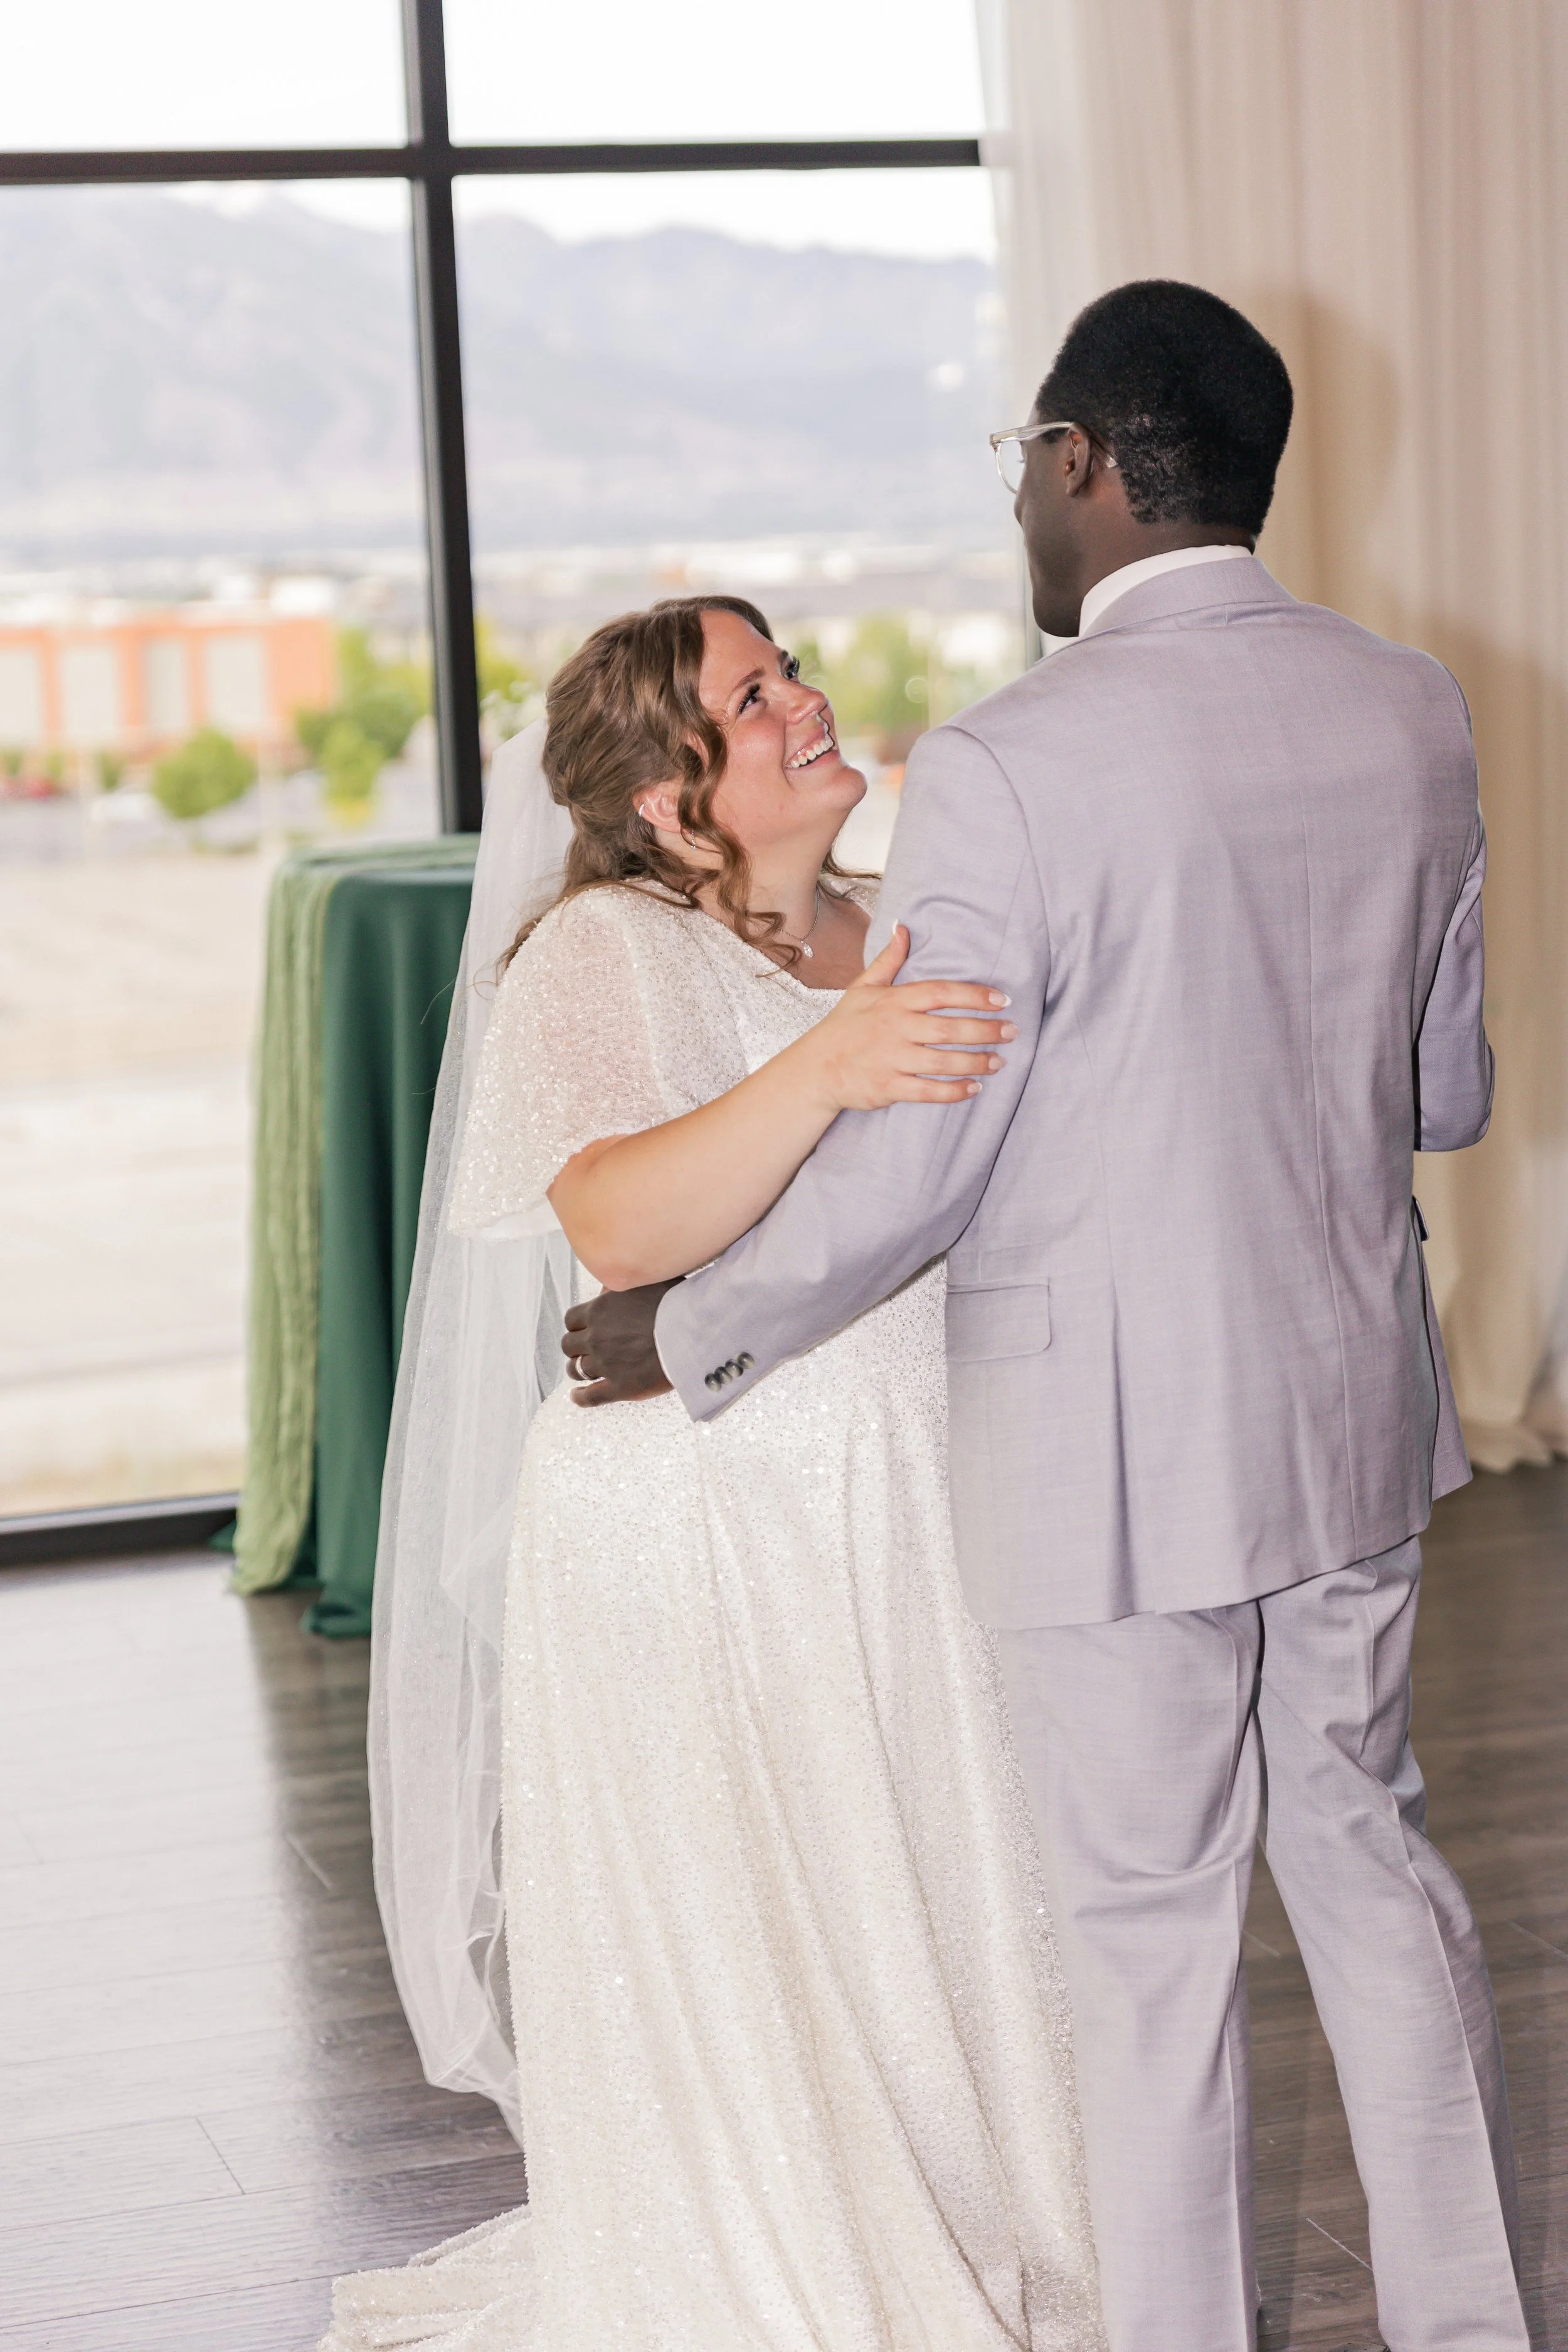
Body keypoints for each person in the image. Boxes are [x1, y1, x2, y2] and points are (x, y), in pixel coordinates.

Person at [568, 283, 1529, 2352]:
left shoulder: (1013, 761)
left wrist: (691, 1325)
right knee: (1371, 1868)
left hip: (1111, 1463)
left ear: (1083, 462)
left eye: (1023, 452)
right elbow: (1441, 1096)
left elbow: (921, 1164)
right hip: (1351, 1406)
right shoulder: (1411, 703)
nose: (1020, 490)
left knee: (1151, 1941)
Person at [321, 595, 1107, 2350]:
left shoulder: (904, 921)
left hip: (913, 1509)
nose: (805, 702)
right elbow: (615, 1214)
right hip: (699, 1529)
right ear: (673, 804)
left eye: (787, 670)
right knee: (780, 1947)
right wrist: (824, 1065)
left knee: (931, 1892)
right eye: (753, 698)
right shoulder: (602, 950)